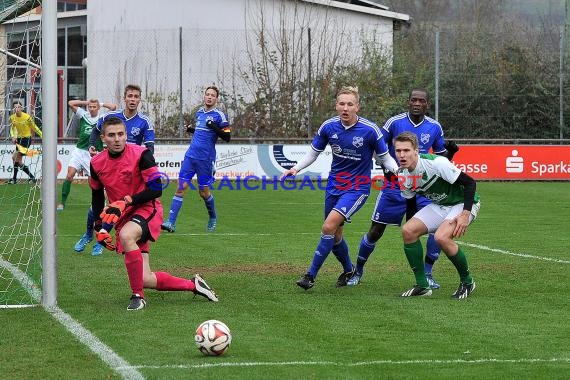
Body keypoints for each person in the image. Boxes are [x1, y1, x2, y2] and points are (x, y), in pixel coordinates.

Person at [89, 116, 219, 310]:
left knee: (126, 235)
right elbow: (97, 197)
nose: (117, 139)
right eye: (111, 135)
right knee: (145, 278)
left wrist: (127, 201)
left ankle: (137, 297)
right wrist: (99, 228)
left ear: (126, 135)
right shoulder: (96, 163)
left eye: (121, 134)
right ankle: (194, 285)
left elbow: (156, 188)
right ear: (103, 138)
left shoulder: (141, 154)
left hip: (147, 209)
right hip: (124, 216)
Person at [280, 86, 398, 290]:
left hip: (357, 188)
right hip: (334, 185)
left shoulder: (370, 130)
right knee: (335, 236)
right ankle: (348, 269)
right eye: (341, 104)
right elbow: (313, 153)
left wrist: (401, 173)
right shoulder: (328, 127)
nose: (345, 108)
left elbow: (385, 158)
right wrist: (295, 169)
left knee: (328, 226)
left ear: (357, 107)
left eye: (350, 104)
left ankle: (310, 276)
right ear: (336, 105)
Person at [347, 88, 459, 288]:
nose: (417, 103)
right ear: (408, 102)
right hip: (394, 186)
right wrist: (387, 166)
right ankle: (358, 270)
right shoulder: (394, 123)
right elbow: (378, 146)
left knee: (436, 230)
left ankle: (427, 273)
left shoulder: (434, 127)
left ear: (427, 104)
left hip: (424, 187)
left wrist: (451, 152)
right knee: (376, 231)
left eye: (421, 101)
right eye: (413, 100)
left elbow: (442, 160)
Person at [394, 131, 479, 299]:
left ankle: (468, 282)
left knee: (441, 237)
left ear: (416, 151)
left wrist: (465, 214)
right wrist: (413, 228)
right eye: (398, 151)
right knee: (408, 231)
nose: (402, 155)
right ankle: (422, 286)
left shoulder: (436, 163)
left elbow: (470, 183)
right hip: (440, 205)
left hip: (463, 204)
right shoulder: (402, 175)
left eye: (406, 150)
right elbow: (410, 204)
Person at [75, 84, 155, 255]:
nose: (133, 99)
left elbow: (149, 146)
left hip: (131, 170)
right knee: (100, 205)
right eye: (130, 96)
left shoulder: (145, 121)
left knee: (115, 207)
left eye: (136, 97)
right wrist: (91, 146)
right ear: (124, 98)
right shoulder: (111, 116)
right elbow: (96, 131)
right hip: (111, 164)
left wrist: (148, 162)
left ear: (139, 99)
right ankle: (92, 233)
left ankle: (98, 238)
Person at [161, 85, 230, 233]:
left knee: (203, 192)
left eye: (213, 95)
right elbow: (201, 132)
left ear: (216, 99)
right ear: (204, 96)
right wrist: (191, 129)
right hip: (190, 156)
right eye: (207, 94)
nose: (210, 97)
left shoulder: (219, 116)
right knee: (181, 187)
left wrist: (214, 127)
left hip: (206, 159)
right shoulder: (199, 112)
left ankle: (212, 217)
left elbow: (227, 137)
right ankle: (170, 222)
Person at [61, 99, 117, 255]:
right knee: (96, 200)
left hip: (100, 157)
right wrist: (87, 101)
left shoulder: (104, 118)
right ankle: (88, 234)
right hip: (86, 153)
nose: (117, 138)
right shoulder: (84, 114)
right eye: (90, 106)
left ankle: (101, 240)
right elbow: (71, 103)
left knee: (112, 205)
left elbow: (113, 107)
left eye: (94, 106)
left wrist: (101, 101)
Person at [8, 101, 42, 184]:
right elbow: (12, 128)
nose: (17, 109)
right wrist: (12, 136)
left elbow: (34, 127)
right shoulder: (12, 118)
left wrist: (42, 135)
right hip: (19, 140)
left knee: (15, 157)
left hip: (26, 140)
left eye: (19, 107)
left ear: (22, 108)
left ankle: (14, 179)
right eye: (15, 107)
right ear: (13, 109)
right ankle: (32, 177)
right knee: (17, 160)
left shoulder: (27, 117)